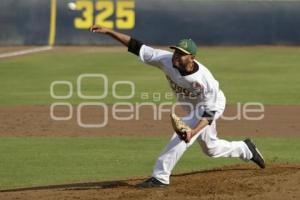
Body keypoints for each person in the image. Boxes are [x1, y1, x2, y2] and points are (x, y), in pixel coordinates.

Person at [89, 25, 265, 188]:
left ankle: (160, 177)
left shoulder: (205, 80)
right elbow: (137, 46)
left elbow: (209, 113)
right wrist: (108, 31)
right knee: (211, 148)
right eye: (176, 51)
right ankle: (245, 149)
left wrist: (192, 132)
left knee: (182, 135)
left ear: (192, 58)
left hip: (210, 107)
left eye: (181, 54)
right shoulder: (165, 60)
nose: (176, 55)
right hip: (192, 108)